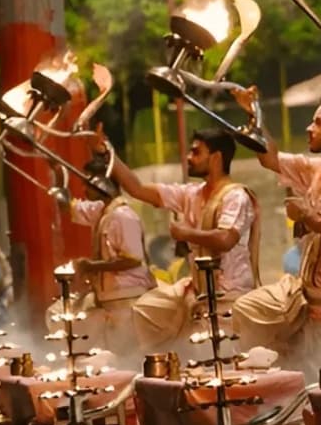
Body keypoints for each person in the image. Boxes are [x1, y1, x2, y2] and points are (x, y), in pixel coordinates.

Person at [230, 90, 321, 369]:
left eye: (320, 122)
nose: (310, 128)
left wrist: (303, 212)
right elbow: (270, 159)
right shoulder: (318, 169)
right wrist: (255, 112)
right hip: (309, 298)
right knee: (248, 311)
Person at [91, 126, 260, 351]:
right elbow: (138, 189)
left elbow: (226, 238)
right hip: (200, 295)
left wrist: (185, 233)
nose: (189, 158)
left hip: (230, 298)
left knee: (222, 365)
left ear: (217, 158)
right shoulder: (191, 194)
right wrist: (108, 152)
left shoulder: (236, 196)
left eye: (196, 152)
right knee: (146, 311)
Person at [45, 154, 156, 356]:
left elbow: (132, 259)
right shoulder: (101, 210)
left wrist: (90, 266)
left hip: (128, 300)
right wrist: (58, 172)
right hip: (107, 301)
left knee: (127, 359)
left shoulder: (123, 215)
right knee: (59, 316)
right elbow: (67, 206)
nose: (84, 189)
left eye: (88, 183)